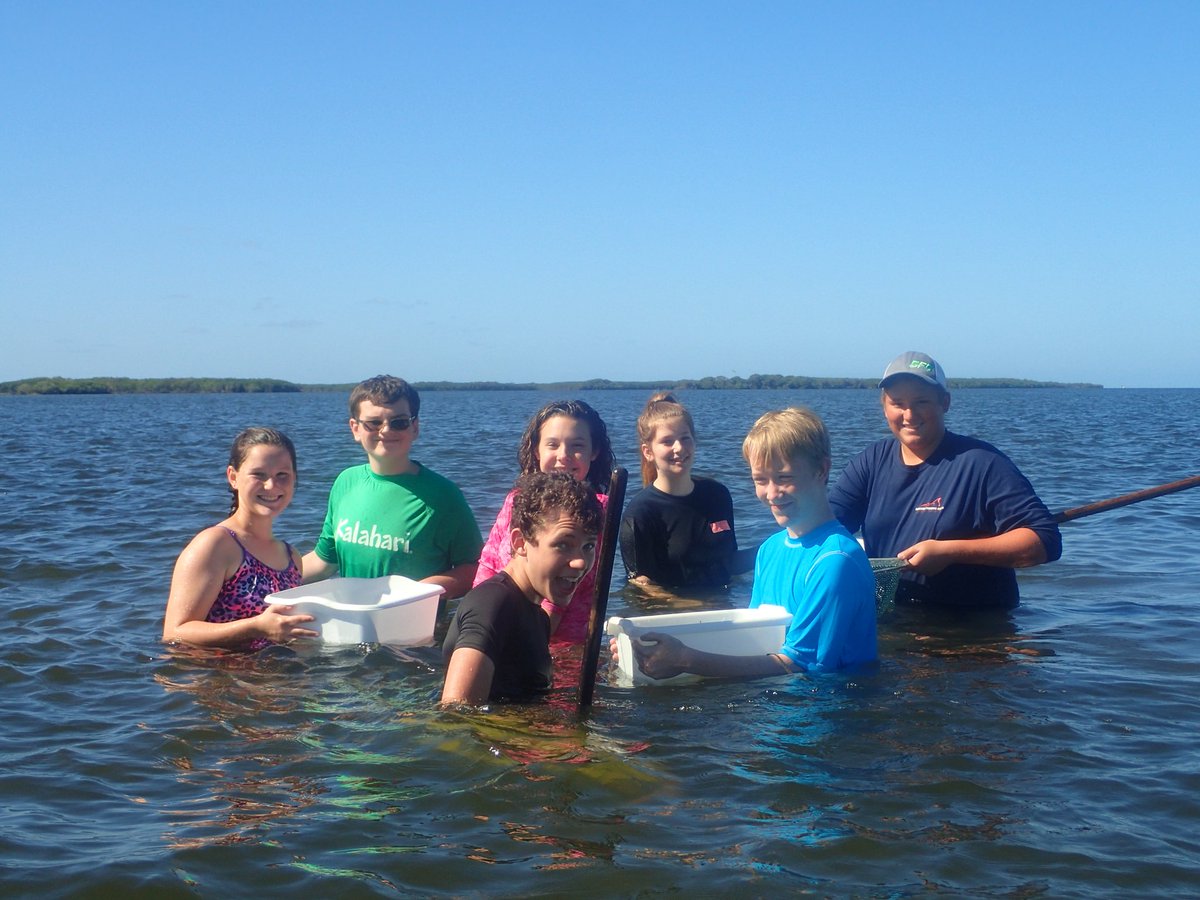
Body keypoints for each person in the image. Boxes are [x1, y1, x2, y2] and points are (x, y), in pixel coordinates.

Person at [627, 407, 877, 680]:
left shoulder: (835, 561)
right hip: (774, 699)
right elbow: (755, 638)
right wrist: (641, 650)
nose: (772, 493)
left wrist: (685, 660)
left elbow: (801, 666)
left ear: (822, 470)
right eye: (760, 480)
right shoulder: (770, 550)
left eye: (784, 478)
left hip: (827, 702)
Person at [828, 351, 1063, 609]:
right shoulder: (871, 462)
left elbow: (1045, 541)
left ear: (945, 403)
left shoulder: (983, 463)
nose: (909, 414)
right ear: (884, 407)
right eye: (898, 403)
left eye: (922, 402)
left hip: (969, 624)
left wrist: (950, 552)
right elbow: (824, 525)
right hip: (893, 617)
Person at [302, 375, 482, 598]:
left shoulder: (444, 495)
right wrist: (271, 580)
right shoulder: (345, 482)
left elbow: (474, 569)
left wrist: (417, 593)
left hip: (413, 619)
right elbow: (324, 561)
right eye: (374, 423)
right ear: (355, 429)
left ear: (414, 427)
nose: (386, 430)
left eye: (399, 422)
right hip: (350, 616)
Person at [441, 472, 603, 705]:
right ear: (520, 543)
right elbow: (456, 711)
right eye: (563, 545)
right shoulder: (492, 605)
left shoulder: (538, 615)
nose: (580, 562)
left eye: (588, 546)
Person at [473, 399, 614, 644]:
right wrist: (477, 621)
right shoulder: (516, 499)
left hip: (559, 645)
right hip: (499, 629)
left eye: (577, 446)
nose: (563, 456)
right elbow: (488, 565)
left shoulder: (598, 509)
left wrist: (524, 647)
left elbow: (557, 600)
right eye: (553, 445)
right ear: (537, 450)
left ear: (594, 452)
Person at [163, 427, 318, 650]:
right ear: (233, 477)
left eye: (282, 475)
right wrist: (255, 627)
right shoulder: (215, 545)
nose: (271, 485)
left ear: (295, 479)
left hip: (276, 671)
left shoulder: (291, 557)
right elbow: (174, 633)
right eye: (259, 475)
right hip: (218, 671)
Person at [619, 392, 755, 589]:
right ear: (648, 452)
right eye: (667, 441)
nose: (679, 448)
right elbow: (642, 587)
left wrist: (776, 547)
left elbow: (729, 562)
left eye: (685, 438)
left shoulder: (717, 495)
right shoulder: (640, 514)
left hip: (726, 603)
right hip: (673, 607)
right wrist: (694, 605)